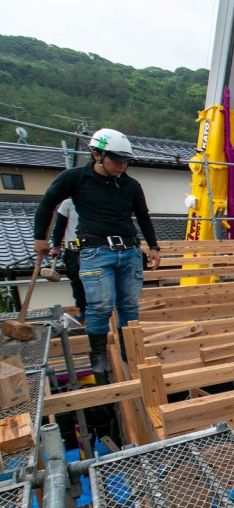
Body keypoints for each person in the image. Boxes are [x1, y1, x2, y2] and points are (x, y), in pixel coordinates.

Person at [33, 128, 160, 382]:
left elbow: (143, 217)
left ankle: (129, 349)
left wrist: (154, 247)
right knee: (99, 306)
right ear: (97, 154)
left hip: (130, 251)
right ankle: (99, 355)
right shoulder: (75, 178)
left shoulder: (131, 185)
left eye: (125, 161)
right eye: (116, 160)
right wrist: (41, 238)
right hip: (96, 251)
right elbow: (48, 204)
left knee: (128, 306)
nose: (121, 166)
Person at [49, 199, 87, 323]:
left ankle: (98, 312)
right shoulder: (69, 203)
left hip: (95, 249)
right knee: (77, 282)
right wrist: (56, 246)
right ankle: (84, 312)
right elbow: (59, 226)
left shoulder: (95, 200)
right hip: (74, 250)